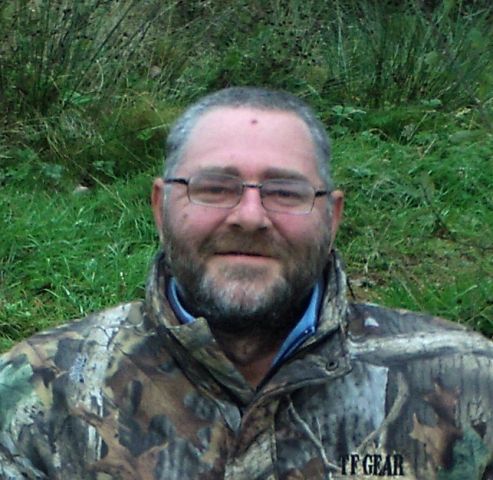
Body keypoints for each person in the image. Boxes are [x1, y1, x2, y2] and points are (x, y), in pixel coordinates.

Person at [0, 87, 492, 480]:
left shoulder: (469, 384)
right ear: (161, 208)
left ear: (332, 217)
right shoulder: (37, 391)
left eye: (285, 192)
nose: (250, 216)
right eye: (215, 187)